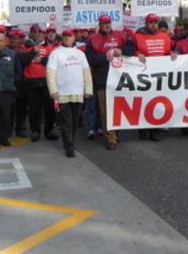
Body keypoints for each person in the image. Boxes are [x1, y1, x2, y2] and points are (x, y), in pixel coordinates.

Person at [123, 13, 176, 141]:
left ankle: (155, 130)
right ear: (146, 24)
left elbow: (167, 52)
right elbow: (126, 50)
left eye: (155, 22)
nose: (153, 25)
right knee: (143, 103)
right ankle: (143, 130)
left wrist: (172, 53)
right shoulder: (137, 36)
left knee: (157, 103)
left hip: (159, 77)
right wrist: (136, 53)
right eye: (150, 22)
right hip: (143, 76)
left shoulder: (165, 37)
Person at [47, 29, 93, 158]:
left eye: (70, 36)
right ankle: (69, 147)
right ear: (62, 38)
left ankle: (70, 142)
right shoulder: (55, 54)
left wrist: (88, 89)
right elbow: (50, 73)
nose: (68, 38)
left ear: (74, 37)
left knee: (74, 122)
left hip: (78, 92)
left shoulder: (80, 54)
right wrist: (53, 90)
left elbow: (86, 72)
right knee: (66, 122)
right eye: (66, 36)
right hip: (63, 93)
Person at [85, 15, 127, 150]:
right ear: (100, 24)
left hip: (120, 80)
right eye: (104, 23)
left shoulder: (120, 36)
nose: (106, 25)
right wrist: (105, 56)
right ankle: (111, 138)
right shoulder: (93, 39)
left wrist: (123, 50)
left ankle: (116, 133)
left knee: (118, 109)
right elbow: (90, 59)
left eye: (108, 23)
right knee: (105, 112)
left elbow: (132, 49)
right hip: (102, 80)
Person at [18, 27, 59, 142]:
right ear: (31, 33)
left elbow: (55, 63)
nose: (40, 34)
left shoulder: (49, 47)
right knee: (33, 109)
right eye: (36, 32)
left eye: (41, 32)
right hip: (31, 81)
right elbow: (22, 61)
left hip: (46, 81)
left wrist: (42, 61)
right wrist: (32, 52)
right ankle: (35, 131)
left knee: (49, 108)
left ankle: (49, 130)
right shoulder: (24, 46)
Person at [9, 29, 30, 138]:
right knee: (9, 108)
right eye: (12, 38)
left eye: (17, 38)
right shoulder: (5, 49)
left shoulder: (25, 50)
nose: (15, 40)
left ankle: (20, 128)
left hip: (22, 83)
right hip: (9, 82)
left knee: (21, 108)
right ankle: (8, 128)